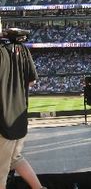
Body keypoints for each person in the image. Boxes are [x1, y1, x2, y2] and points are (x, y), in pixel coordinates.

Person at [0, 29, 46, 189]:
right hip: (19, 117)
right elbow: (31, 81)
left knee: (1, 170)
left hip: (3, 120)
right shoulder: (22, 48)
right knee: (15, 158)